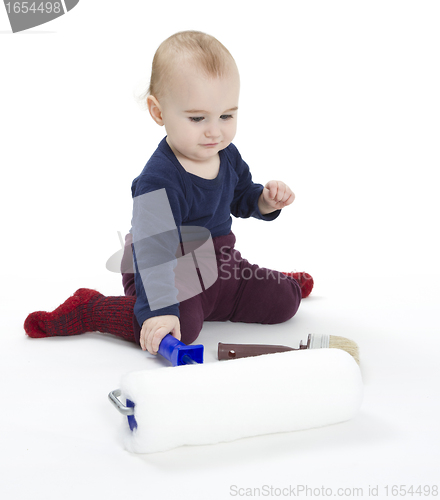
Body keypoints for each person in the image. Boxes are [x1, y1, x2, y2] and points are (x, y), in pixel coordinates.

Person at [24, 31, 313, 355]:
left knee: (286, 302)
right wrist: (159, 311)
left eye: (226, 115)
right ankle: (94, 309)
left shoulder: (226, 154)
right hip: (164, 272)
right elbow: (153, 253)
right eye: (197, 118)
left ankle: (273, 285)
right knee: (179, 330)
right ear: (159, 112)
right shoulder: (158, 181)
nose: (214, 130)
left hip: (221, 267)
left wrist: (264, 201)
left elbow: (242, 195)